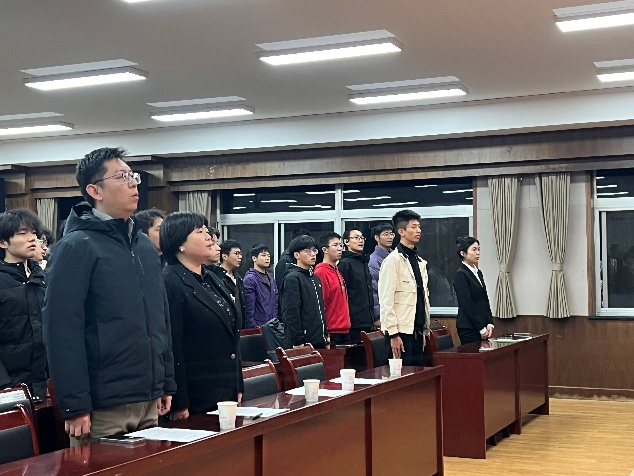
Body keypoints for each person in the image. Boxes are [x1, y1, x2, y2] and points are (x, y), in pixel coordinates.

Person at [43, 147, 175, 445]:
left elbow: (160, 318)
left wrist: (166, 381)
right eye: (122, 177)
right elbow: (62, 330)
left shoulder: (143, 246)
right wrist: (75, 404)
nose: (133, 183)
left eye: (133, 176)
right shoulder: (76, 246)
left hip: (148, 396)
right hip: (103, 403)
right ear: (95, 191)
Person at [161, 212, 243, 417]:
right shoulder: (170, 282)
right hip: (196, 396)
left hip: (225, 389)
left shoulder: (211, 277)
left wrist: (237, 384)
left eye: (207, 231)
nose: (209, 237)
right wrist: (180, 402)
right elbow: (173, 346)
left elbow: (231, 337)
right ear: (180, 243)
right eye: (199, 232)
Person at [0, 209, 47, 402]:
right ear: (3, 243)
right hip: (11, 388)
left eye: (34, 233)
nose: (32, 239)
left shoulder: (44, 278)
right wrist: (5, 386)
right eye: (22, 233)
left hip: (48, 384)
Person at [379, 209, 430, 366]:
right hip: (400, 332)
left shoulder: (419, 261)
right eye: (413, 227)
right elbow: (386, 300)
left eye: (419, 226)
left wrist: (424, 330)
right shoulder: (392, 261)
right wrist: (393, 334)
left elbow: (421, 298)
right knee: (401, 375)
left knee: (418, 375)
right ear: (401, 231)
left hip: (417, 330)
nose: (418, 230)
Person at [278, 235, 327, 348]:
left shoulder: (315, 278)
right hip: (301, 343)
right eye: (308, 251)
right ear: (297, 255)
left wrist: (325, 334)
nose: (313, 254)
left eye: (314, 250)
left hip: (318, 340)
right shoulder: (292, 278)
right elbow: (290, 312)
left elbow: (320, 310)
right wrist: (297, 340)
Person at [453, 236, 494, 345]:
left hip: (483, 326)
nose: (478, 253)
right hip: (469, 328)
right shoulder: (461, 274)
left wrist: (489, 323)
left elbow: (484, 299)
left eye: (479, 249)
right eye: (474, 249)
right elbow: (467, 304)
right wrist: (481, 328)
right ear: (463, 253)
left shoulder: (478, 273)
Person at [338, 228, 375, 341]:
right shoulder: (345, 263)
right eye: (356, 238)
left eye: (362, 238)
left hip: (367, 320)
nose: (361, 241)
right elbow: (342, 294)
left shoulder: (363, 261)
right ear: (346, 242)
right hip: (354, 323)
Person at [314, 232, 350, 344]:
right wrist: (325, 333)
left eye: (340, 245)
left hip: (344, 328)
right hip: (332, 331)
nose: (339, 248)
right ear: (325, 249)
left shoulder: (336, 270)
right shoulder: (321, 272)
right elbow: (321, 304)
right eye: (335, 245)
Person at [243, 244, 278, 328]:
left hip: (272, 325)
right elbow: (249, 307)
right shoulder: (250, 279)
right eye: (263, 255)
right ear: (254, 258)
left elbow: (275, 303)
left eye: (268, 256)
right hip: (258, 326)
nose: (267, 258)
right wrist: (253, 327)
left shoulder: (271, 278)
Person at [216, 239, 246, 329]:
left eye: (240, 254)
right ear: (225, 256)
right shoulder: (217, 278)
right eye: (236, 253)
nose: (240, 257)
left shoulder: (238, 278)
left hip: (239, 326)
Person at [368, 223, 394, 324]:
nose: (390, 237)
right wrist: (377, 316)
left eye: (391, 234)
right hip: (384, 313)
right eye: (385, 234)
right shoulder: (374, 260)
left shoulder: (394, 256)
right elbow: (374, 291)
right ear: (376, 237)